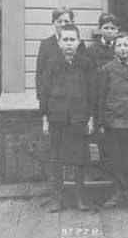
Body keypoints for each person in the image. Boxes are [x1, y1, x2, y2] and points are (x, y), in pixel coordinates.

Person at [39, 24, 95, 212]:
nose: (69, 43)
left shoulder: (86, 64)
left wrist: (91, 118)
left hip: (79, 118)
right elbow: (44, 92)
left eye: (73, 40)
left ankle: (80, 197)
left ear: (78, 42)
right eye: (66, 40)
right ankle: (57, 198)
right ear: (60, 42)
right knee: (57, 159)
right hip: (57, 118)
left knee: (79, 158)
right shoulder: (52, 63)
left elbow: (91, 92)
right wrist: (45, 117)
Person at [96, 32, 128, 208]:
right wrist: (101, 122)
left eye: (126, 45)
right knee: (115, 158)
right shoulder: (107, 69)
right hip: (113, 121)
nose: (123, 49)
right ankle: (118, 192)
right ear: (114, 48)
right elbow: (101, 97)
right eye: (119, 45)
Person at [36, 7, 87, 109]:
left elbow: (85, 72)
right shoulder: (46, 44)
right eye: (59, 21)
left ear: (72, 23)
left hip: (76, 98)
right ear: (53, 22)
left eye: (66, 21)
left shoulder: (79, 44)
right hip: (54, 99)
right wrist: (42, 100)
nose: (63, 24)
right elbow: (40, 73)